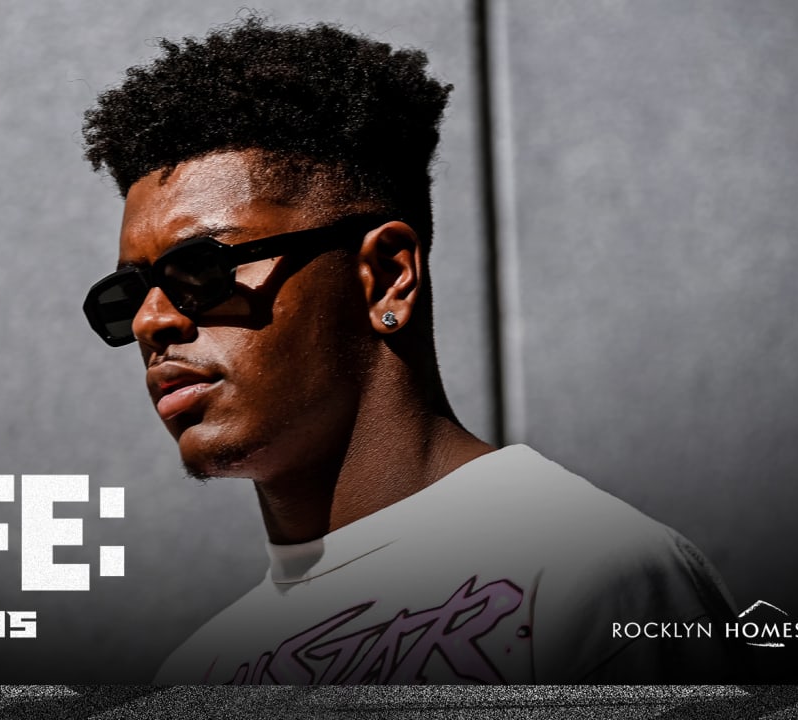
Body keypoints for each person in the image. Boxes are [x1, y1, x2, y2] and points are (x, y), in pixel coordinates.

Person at [79, 17, 743, 684]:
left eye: (200, 272)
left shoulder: (587, 574)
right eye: (126, 295)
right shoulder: (198, 672)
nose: (149, 321)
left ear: (388, 275)